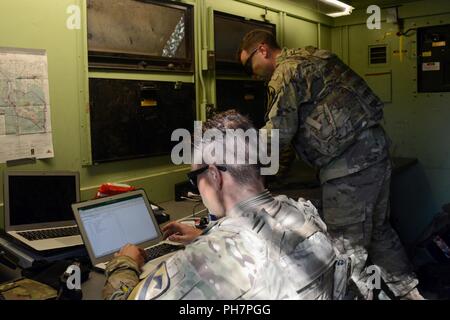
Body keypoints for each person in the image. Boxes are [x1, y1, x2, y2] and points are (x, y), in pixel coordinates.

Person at [236, 29, 423, 300]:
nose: (252, 73)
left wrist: (234, 163)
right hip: (375, 153)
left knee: (346, 250)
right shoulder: (312, 56)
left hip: (349, 166)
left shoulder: (285, 73)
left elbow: (277, 135)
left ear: (263, 49)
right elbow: (295, 131)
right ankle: (413, 295)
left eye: (248, 64)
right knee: (379, 230)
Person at [102, 110, 337, 300]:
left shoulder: (201, 261)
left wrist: (126, 263)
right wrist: (206, 236)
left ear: (215, 175)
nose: (196, 189)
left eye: (195, 179)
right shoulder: (303, 213)